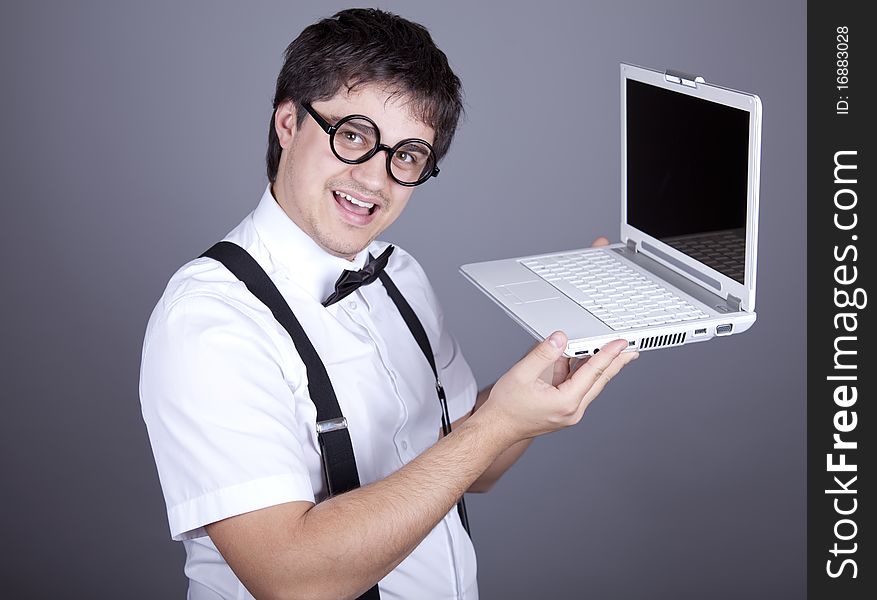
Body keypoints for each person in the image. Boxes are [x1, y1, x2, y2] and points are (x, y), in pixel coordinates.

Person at [139, 8, 637, 600]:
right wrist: (499, 422)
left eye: (406, 155)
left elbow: (472, 467)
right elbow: (290, 579)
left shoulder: (400, 274)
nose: (376, 180)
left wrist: (558, 362)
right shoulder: (210, 318)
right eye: (353, 135)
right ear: (288, 123)